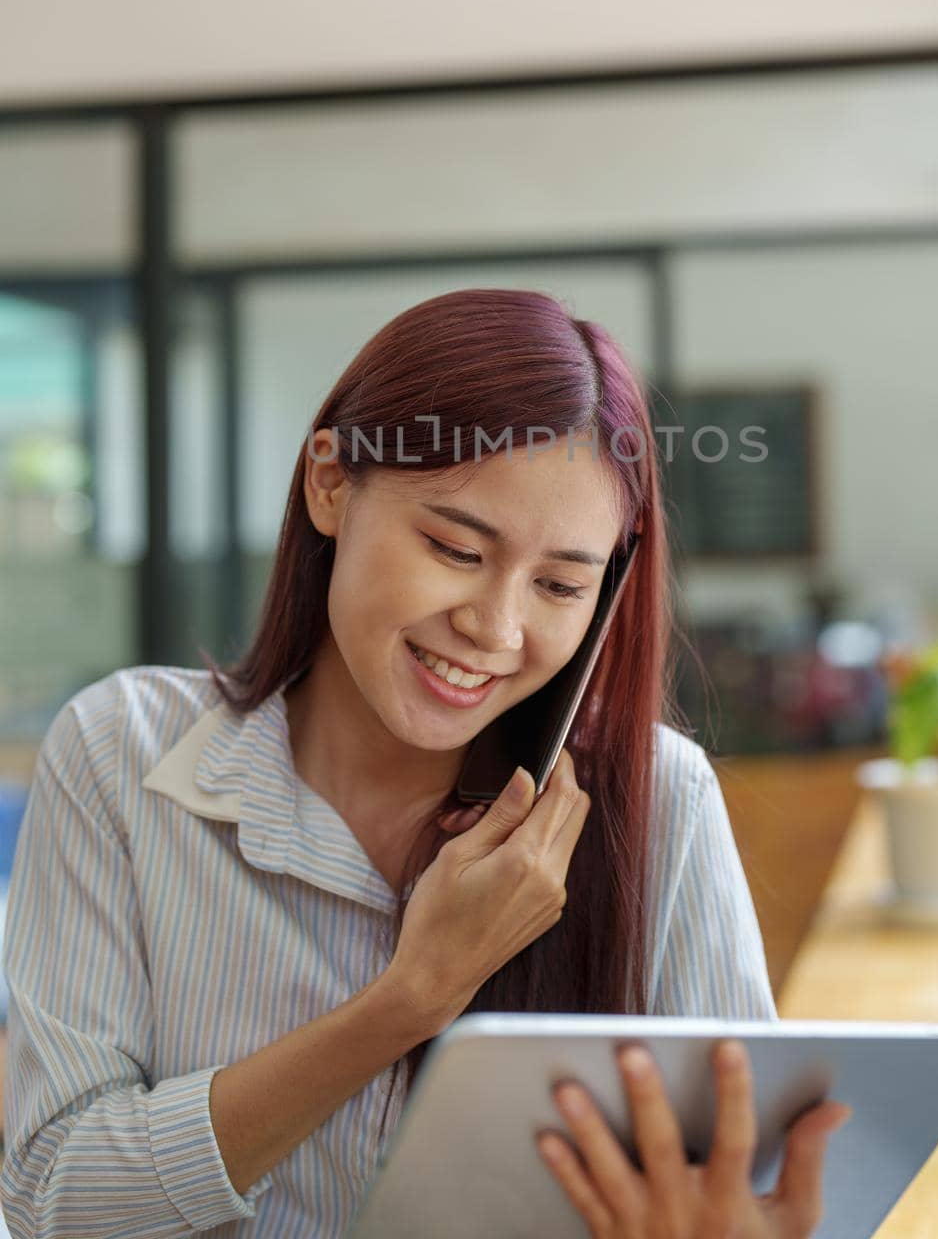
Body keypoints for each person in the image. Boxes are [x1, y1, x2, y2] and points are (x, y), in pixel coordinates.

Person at [0, 287, 848, 1237]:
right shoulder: (121, 754)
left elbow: (745, 1182)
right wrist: (409, 1002)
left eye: (561, 584)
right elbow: (49, 1201)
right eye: (453, 548)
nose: (495, 628)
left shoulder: (658, 798)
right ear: (330, 484)